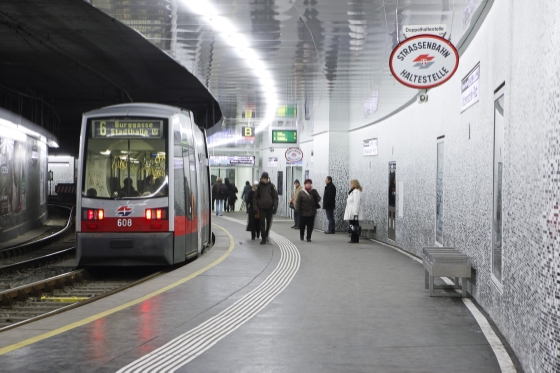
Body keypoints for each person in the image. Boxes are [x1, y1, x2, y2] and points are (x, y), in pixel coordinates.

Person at [253, 172, 278, 244]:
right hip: (261, 207)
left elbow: (275, 197)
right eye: (262, 178)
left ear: (267, 179)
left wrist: (275, 207)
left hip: (270, 207)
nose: (263, 180)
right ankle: (263, 237)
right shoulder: (259, 186)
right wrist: (255, 208)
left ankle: (266, 233)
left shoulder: (271, 186)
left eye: (265, 178)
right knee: (262, 222)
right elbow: (255, 198)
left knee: (269, 222)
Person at [344, 179, 364, 243]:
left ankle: (354, 238)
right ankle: (354, 238)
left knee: (354, 225)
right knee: (353, 224)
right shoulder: (353, 191)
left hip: (353, 211)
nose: (350, 185)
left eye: (351, 184)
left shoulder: (356, 192)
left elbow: (356, 202)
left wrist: (355, 212)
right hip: (351, 210)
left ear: (355, 184)